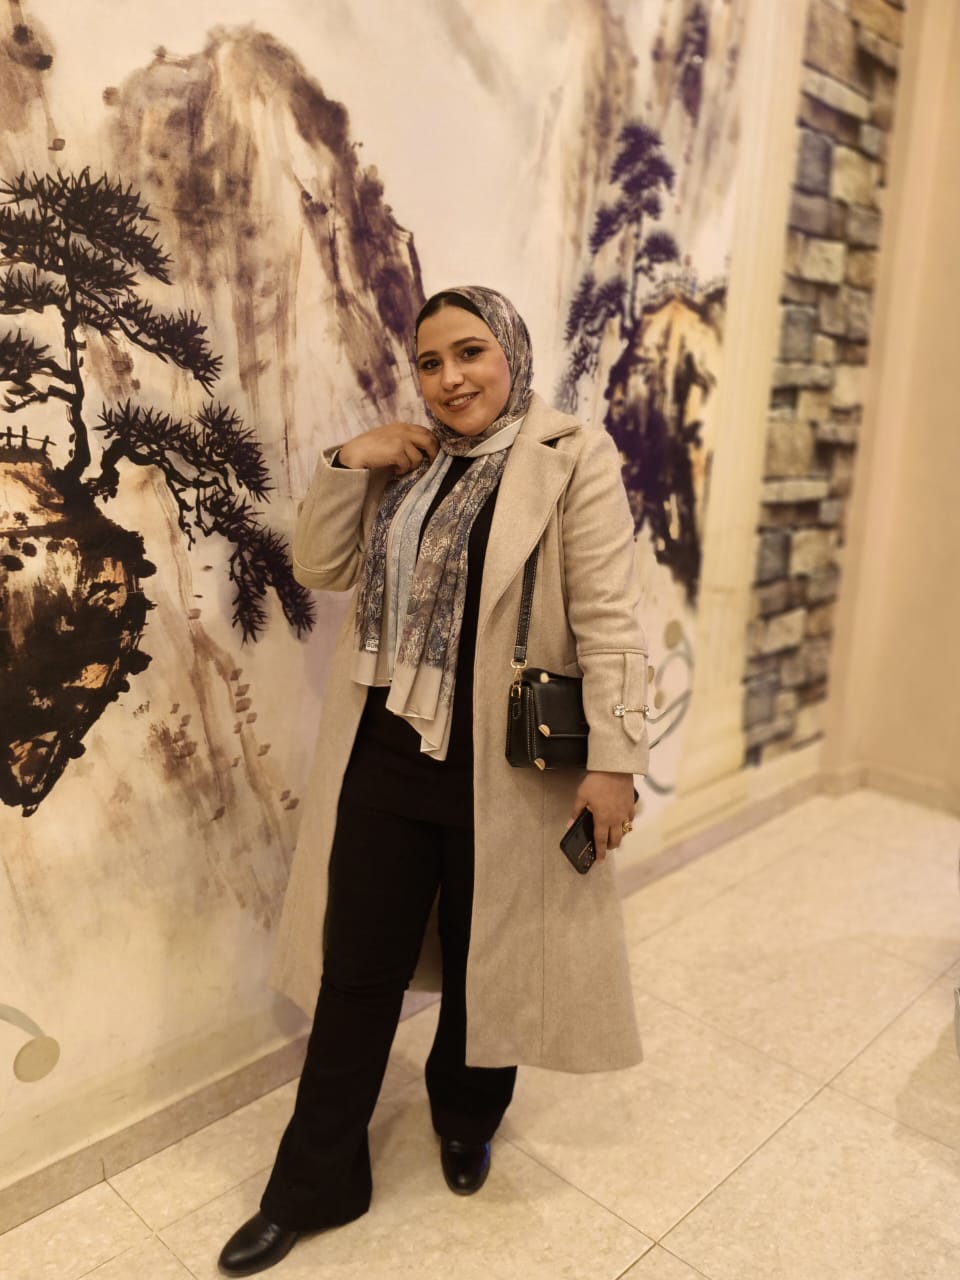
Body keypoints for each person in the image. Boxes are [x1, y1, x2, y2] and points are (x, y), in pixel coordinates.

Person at [218, 286, 650, 1276]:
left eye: (470, 352)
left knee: (485, 958)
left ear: (511, 353)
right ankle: (311, 1184)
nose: (450, 378)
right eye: (430, 361)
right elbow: (322, 567)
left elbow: (610, 616)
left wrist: (615, 761)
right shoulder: (408, 465)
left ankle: (466, 1117)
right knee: (355, 972)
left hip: (506, 764)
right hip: (386, 749)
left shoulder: (569, 454)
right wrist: (348, 461)